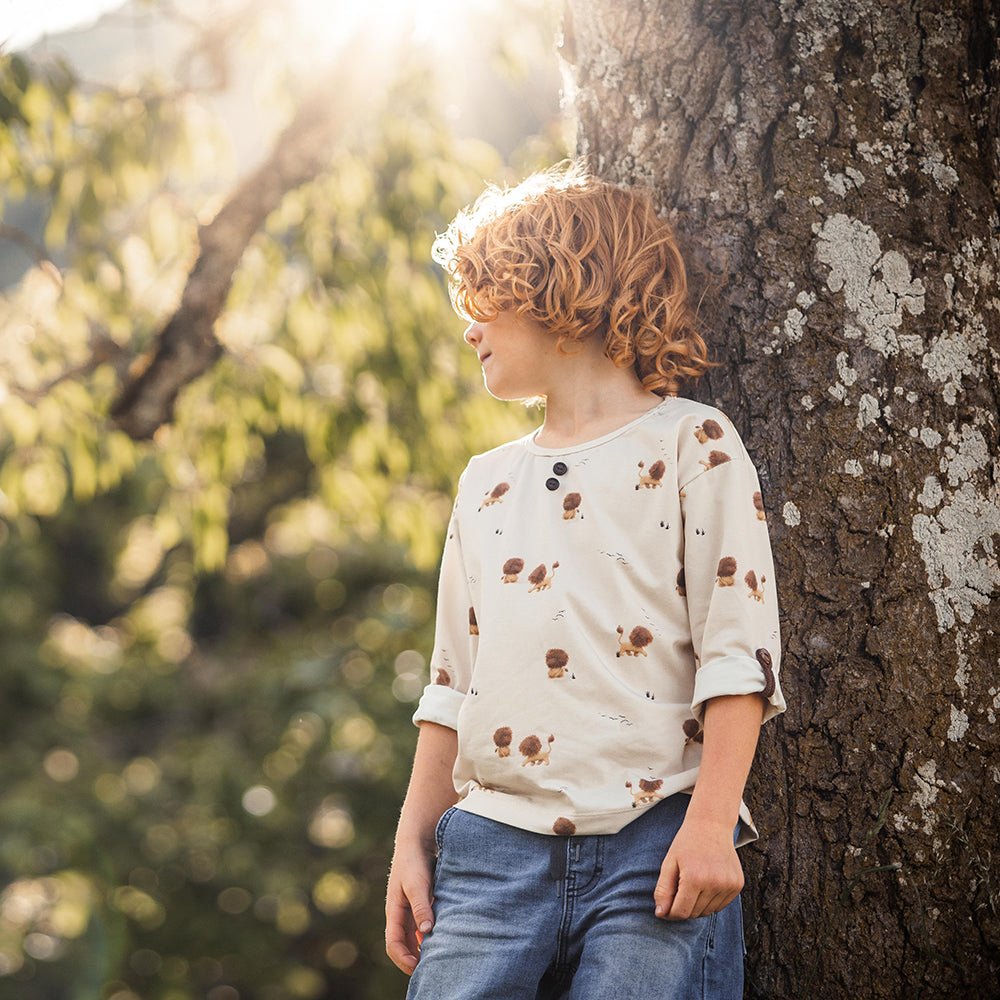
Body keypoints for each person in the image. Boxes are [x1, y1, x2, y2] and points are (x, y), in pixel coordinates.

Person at [384, 159, 786, 1000]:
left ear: (559, 293)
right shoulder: (485, 482)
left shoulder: (695, 444)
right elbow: (452, 681)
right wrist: (411, 843)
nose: (469, 330)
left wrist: (712, 824)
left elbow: (738, 655)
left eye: (486, 300)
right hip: (490, 852)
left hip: (655, 847)